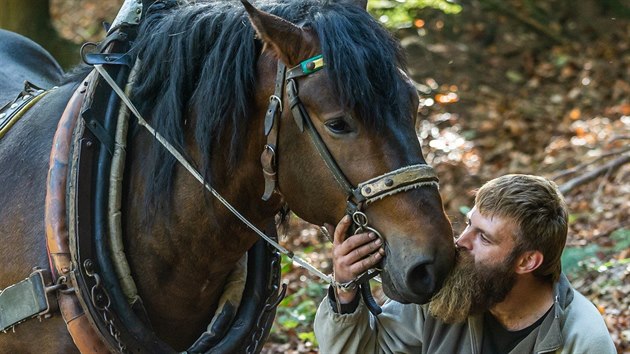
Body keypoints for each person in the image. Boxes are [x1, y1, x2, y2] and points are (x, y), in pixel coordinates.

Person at [314, 174, 616, 354]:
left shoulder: (582, 339)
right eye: (469, 224)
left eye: (483, 237)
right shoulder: (445, 297)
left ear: (527, 261)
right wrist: (345, 291)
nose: (461, 241)